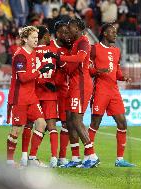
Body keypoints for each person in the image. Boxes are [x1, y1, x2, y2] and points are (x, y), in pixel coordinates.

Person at [45, 19, 102, 168]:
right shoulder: (74, 44)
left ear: (77, 29)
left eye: (70, 28)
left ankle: (92, 154)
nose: (68, 31)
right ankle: (75, 157)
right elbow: (71, 68)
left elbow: (80, 58)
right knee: (69, 119)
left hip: (82, 85)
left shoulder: (83, 41)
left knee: (76, 119)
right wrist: (61, 64)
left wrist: (59, 57)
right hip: (74, 85)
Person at [6, 26, 54, 167]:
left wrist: (44, 82)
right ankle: (9, 161)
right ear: (25, 39)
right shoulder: (20, 55)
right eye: (33, 37)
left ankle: (32, 159)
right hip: (19, 98)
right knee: (16, 129)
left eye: (36, 37)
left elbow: (32, 76)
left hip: (31, 97)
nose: (36, 40)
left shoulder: (32, 53)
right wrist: (40, 71)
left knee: (41, 123)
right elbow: (23, 77)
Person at [88, 23, 135, 167]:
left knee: (122, 122)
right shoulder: (94, 49)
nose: (115, 34)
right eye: (112, 32)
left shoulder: (116, 51)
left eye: (115, 32)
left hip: (114, 91)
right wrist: (99, 71)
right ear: (104, 34)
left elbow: (117, 72)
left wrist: (123, 77)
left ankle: (119, 160)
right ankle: (89, 155)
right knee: (95, 123)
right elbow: (89, 70)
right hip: (100, 90)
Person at [20, 25, 59, 168]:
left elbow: (30, 71)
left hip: (34, 91)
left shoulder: (33, 51)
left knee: (29, 124)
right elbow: (59, 71)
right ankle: (54, 158)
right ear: (44, 36)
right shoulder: (54, 50)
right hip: (49, 93)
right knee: (51, 125)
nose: (51, 37)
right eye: (49, 35)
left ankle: (25, 156)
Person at [49, 21, 72, 166]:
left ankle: (62, 157)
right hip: (48, 91)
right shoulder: (48, 46)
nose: (67, 35)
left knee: (65, 123)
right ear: (57, 33)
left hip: (63, 91)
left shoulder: (68, 49)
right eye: (64, 32)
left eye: (68, 32)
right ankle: (32, 156)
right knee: (46, 124)